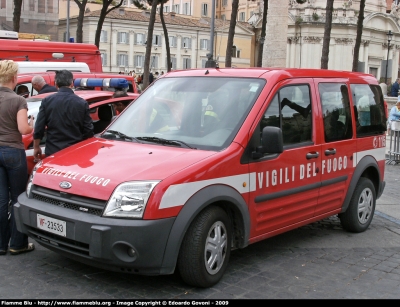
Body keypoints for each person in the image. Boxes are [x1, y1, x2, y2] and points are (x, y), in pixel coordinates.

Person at [0, 60, 35, 256]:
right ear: (14, 78)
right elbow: (23, 129)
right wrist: (32, 124)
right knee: (16, 198)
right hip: (13, 150)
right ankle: (17, 243)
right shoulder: (18, 100)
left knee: (1, 198)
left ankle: (0, 244)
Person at [33, 70, 94, 159]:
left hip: (53, 150)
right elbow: (88, 130)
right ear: (72, 83)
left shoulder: (47, 101)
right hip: (75, 151)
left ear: (56, 84)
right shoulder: (82, 103)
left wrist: (36, 146)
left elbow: (39, 127)